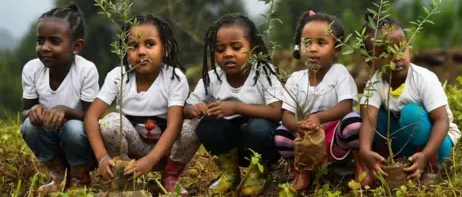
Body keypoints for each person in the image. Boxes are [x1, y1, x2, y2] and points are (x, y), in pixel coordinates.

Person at [174, 13, 283, 196]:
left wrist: (236, 108)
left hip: (262, 144)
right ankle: (229, 174)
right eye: (220, 49)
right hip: (233, 147)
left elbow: (277, 111)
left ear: (254, 50)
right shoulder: (213, 78)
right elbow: (185, 107)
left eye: (236, 47)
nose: (228, 54)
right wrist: (194, 109)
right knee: (207, 126)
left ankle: (259, 174)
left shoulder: (263, 73)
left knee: (258, 128)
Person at [83, 14, 188, 193]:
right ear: (125, 50)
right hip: (132, 151)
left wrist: (151, 160)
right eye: (133, 46)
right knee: (110, 122)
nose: (141, 52)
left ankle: (170, 176)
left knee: (190, 126)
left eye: (150, 44)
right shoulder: (118, 76)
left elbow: (174, 126)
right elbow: (91, 117)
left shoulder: (174, 78)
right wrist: (101, 157)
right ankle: (123, 177)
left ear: (166, 49)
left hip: (166, 152)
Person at [358, 13, 461, 185]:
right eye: (386, 52)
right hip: (405, 143)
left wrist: (426, 155)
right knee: (375, 116)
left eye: (401, 48)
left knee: (411, 114)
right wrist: (365, 150)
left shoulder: (423, 78)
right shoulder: (375, 83)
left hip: (436, 144)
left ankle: (430, 168)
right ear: (370, 60)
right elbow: (369, 119)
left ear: (409, 48)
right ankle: (385, 165)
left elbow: (442, 121)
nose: (396, 57)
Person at [274, 10, 367, 190]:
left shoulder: (339, 72)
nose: (313, 48)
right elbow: (286, 114)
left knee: (353, 123)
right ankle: (301, 172)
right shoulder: (295, 79)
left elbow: (346, 106)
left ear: (337, 49)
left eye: (321, 43)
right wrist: (296, 127)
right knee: (281, 133)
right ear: (298, 46)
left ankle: (361, 167)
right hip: (306, 140)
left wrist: (319, 118)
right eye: (307, 42)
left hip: (334, 139)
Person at [20, 3, 99, 194]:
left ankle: (78, 176)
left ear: (76, 46)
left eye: (54, 42)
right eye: (40, 41)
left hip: (80, 141)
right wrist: (33, 111)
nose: (44, 48)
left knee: (72, 129)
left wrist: (66, 111)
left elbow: (93, 117)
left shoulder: (86, 71)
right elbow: (24, 113)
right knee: (29, 126)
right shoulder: (32, 69)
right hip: (51, 140)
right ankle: (56, 174)